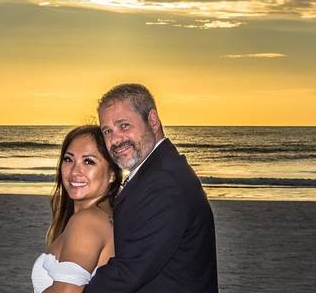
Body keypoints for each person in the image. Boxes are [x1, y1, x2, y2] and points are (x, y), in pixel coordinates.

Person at [85, 83, 218, 292]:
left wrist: (73, 288)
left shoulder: (163, 182)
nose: (115, 140)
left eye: (124, 126)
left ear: (153, 120)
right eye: (107, 131)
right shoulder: (159, 170)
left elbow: (129, 271)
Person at [32, 125, 122, 293]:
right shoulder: (104, 216)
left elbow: (68, 291)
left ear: (112, 174)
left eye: (88, 161)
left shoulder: (87, 221)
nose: (74, 171)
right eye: (68, 159)